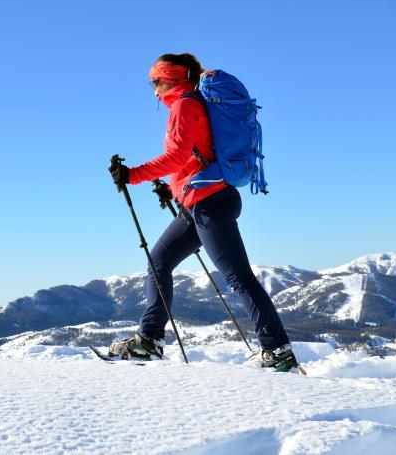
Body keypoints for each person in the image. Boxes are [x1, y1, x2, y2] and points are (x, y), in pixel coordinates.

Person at [108, 53, 299, 372]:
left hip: (209, 204)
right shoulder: (192, 103)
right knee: (159, 262)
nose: (154, 90)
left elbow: (178, 155)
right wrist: (171, 188)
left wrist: (134, 175)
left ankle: (277, 350)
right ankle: (150, 339)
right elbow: (197, 156)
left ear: (170, 79)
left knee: (238, 278)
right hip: (201, 202)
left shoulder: (185, 105)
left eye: (155, 82)